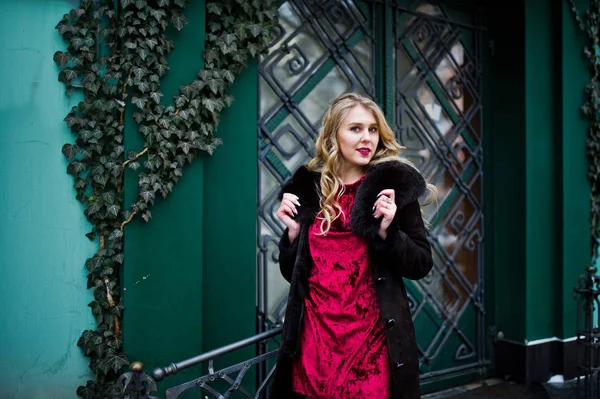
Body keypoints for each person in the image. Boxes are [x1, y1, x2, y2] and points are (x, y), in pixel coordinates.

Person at [269, 93, 435, 399]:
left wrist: (389, 232)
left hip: (371, 346)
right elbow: (293, 274)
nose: (367, 138)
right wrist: (292, 235)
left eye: (373, 129)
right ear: (334, 135)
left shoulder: (391, 189)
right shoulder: (310, 190)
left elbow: (421, 264)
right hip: (315, 344)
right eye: (355, 129)